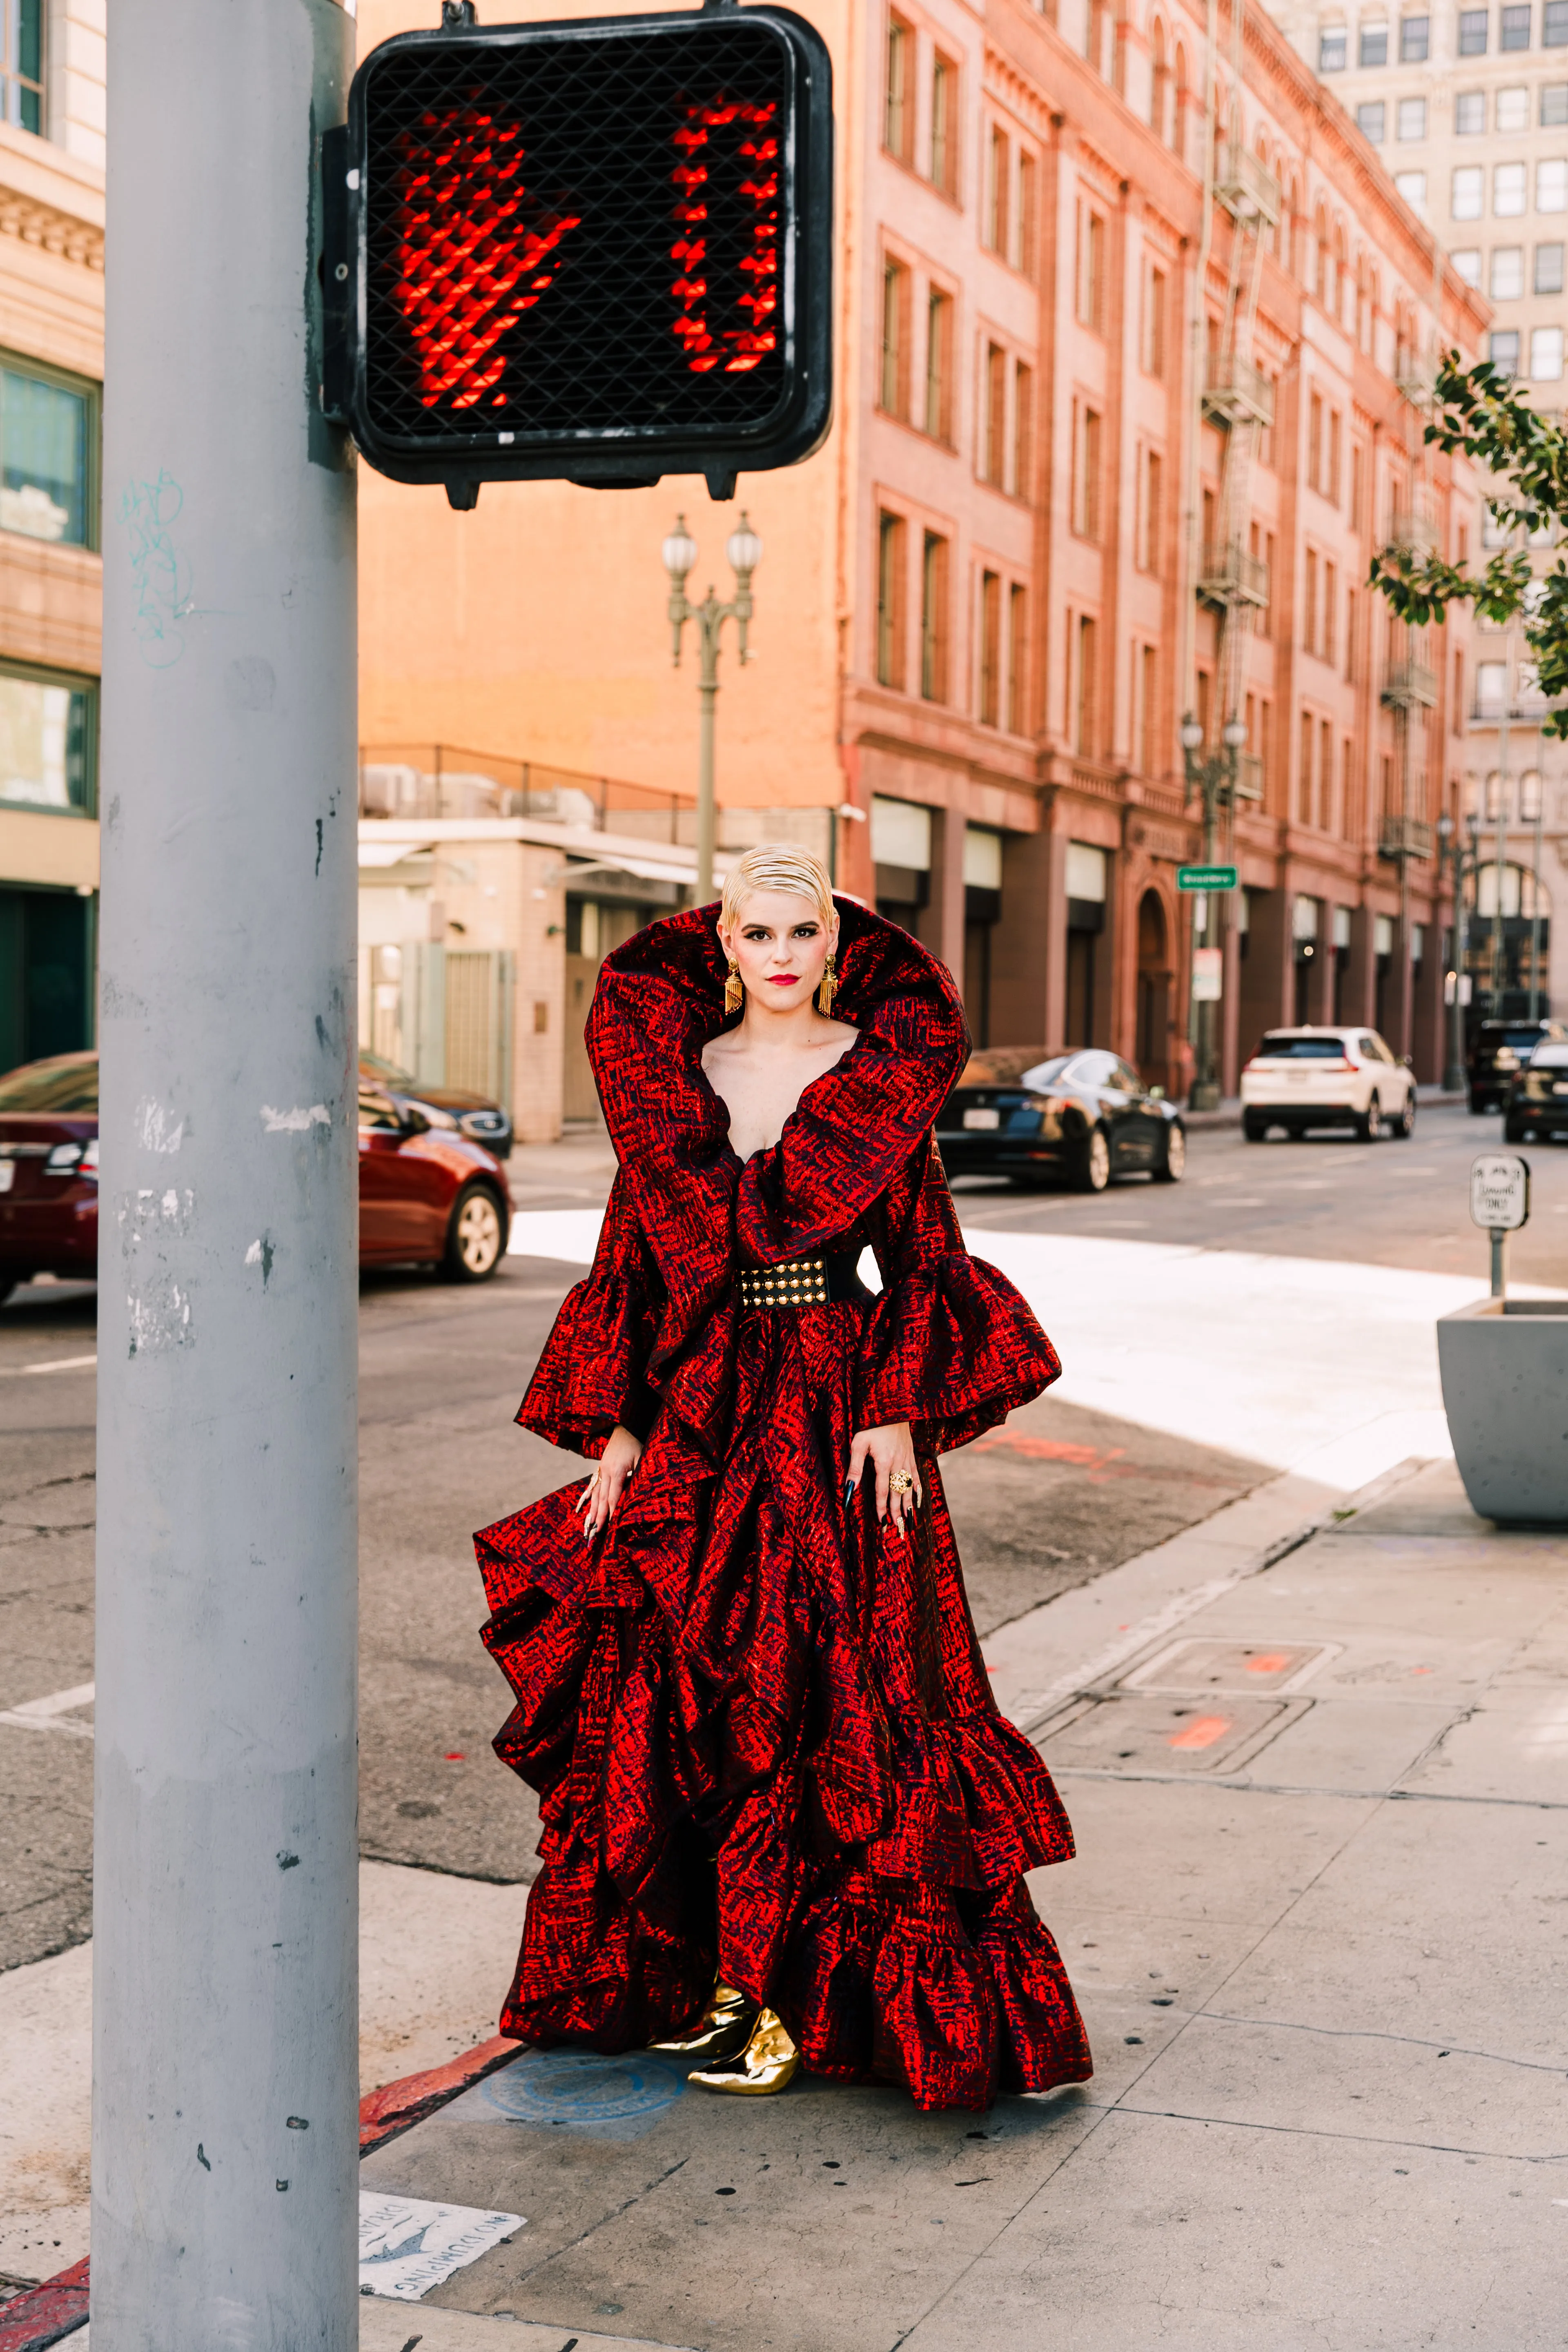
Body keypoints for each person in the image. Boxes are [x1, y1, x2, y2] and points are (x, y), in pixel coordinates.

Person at [474, 844, 1091, 2110]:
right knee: (680, 1677)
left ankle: (791, 2001)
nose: (781, 957)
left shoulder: (873, 1082)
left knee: (831, 1684)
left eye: (803, 934)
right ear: (722, 949)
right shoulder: (678, 1077)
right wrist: (621, 1429)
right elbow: (634, 1259)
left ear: (835, 946)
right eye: (757, 935)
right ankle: (705, 1977)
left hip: (830, 1396)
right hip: (703, 1402)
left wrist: (891, 1412)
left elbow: (926, 1258)